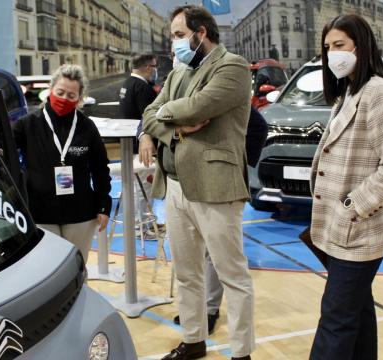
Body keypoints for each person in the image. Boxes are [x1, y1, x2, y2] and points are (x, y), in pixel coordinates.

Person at [142, 5, 254, 360]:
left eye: (178, 35)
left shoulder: (232, 67)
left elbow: (198, 107)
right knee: (187, 272)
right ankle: (193, 341)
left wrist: (169, 115)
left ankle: (242, 352)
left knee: (232, 276)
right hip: (175, 186)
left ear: (200, 33)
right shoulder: (178, 73)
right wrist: (171, 124)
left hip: (216, 186)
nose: (173, 42)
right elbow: (149, 113)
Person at [309, 14, 383, 359]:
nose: (332, 54)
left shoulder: (379, 91)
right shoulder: (350, 90)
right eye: (327, 48)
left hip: (359, 230)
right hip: (342, 231)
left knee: (336, 319)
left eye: (339, 45)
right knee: (357, 312)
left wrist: (351, 207)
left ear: (361, 44)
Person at [172, 105, 268, 334]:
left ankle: (210, 309)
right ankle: (197, 313)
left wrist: (237, 164)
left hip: (219, 184)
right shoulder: (181, 89)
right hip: (187, 180)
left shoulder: (222, 92)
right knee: (191, 258)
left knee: (215, 256)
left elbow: (258, 126)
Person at [12, 64, 111, 263]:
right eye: (60, 92)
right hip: (39, 211)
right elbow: (2, 149)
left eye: (71, 95)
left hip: (80, 214)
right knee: (46, 269)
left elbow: (100, 167)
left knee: (77, 266)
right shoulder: (27, 124)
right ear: (50, 89)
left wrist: (103, 205)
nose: (64, 99)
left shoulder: (86, 127)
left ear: (80, 98)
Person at [118, 54, 161, 234]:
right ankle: (143, 226)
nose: (154, 70)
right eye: (153, 66)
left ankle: (141, 224)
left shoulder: (126, 84)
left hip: (131, 145)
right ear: (147, 67)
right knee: (145, 187)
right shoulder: (143, 88)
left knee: (138, 187)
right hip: (143, 147)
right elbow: (149, 118)